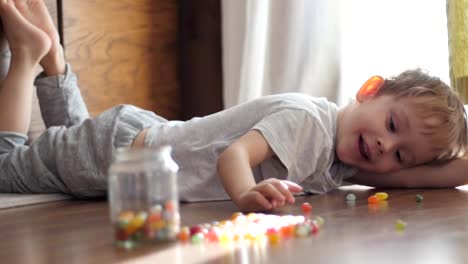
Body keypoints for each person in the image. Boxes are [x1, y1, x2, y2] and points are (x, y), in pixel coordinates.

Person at [0, 0, 467, 212]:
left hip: (136, 143)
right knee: (8, 166)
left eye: (398, 152)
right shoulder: (310, 124)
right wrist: (245, 195)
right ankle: (25, 58)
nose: (386, 147)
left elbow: (425, 175)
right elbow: (234, 156)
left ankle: (55, 64)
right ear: (369, 88)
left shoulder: (340, 161)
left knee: (68, 146)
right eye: (391, 123)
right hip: (122, 156)